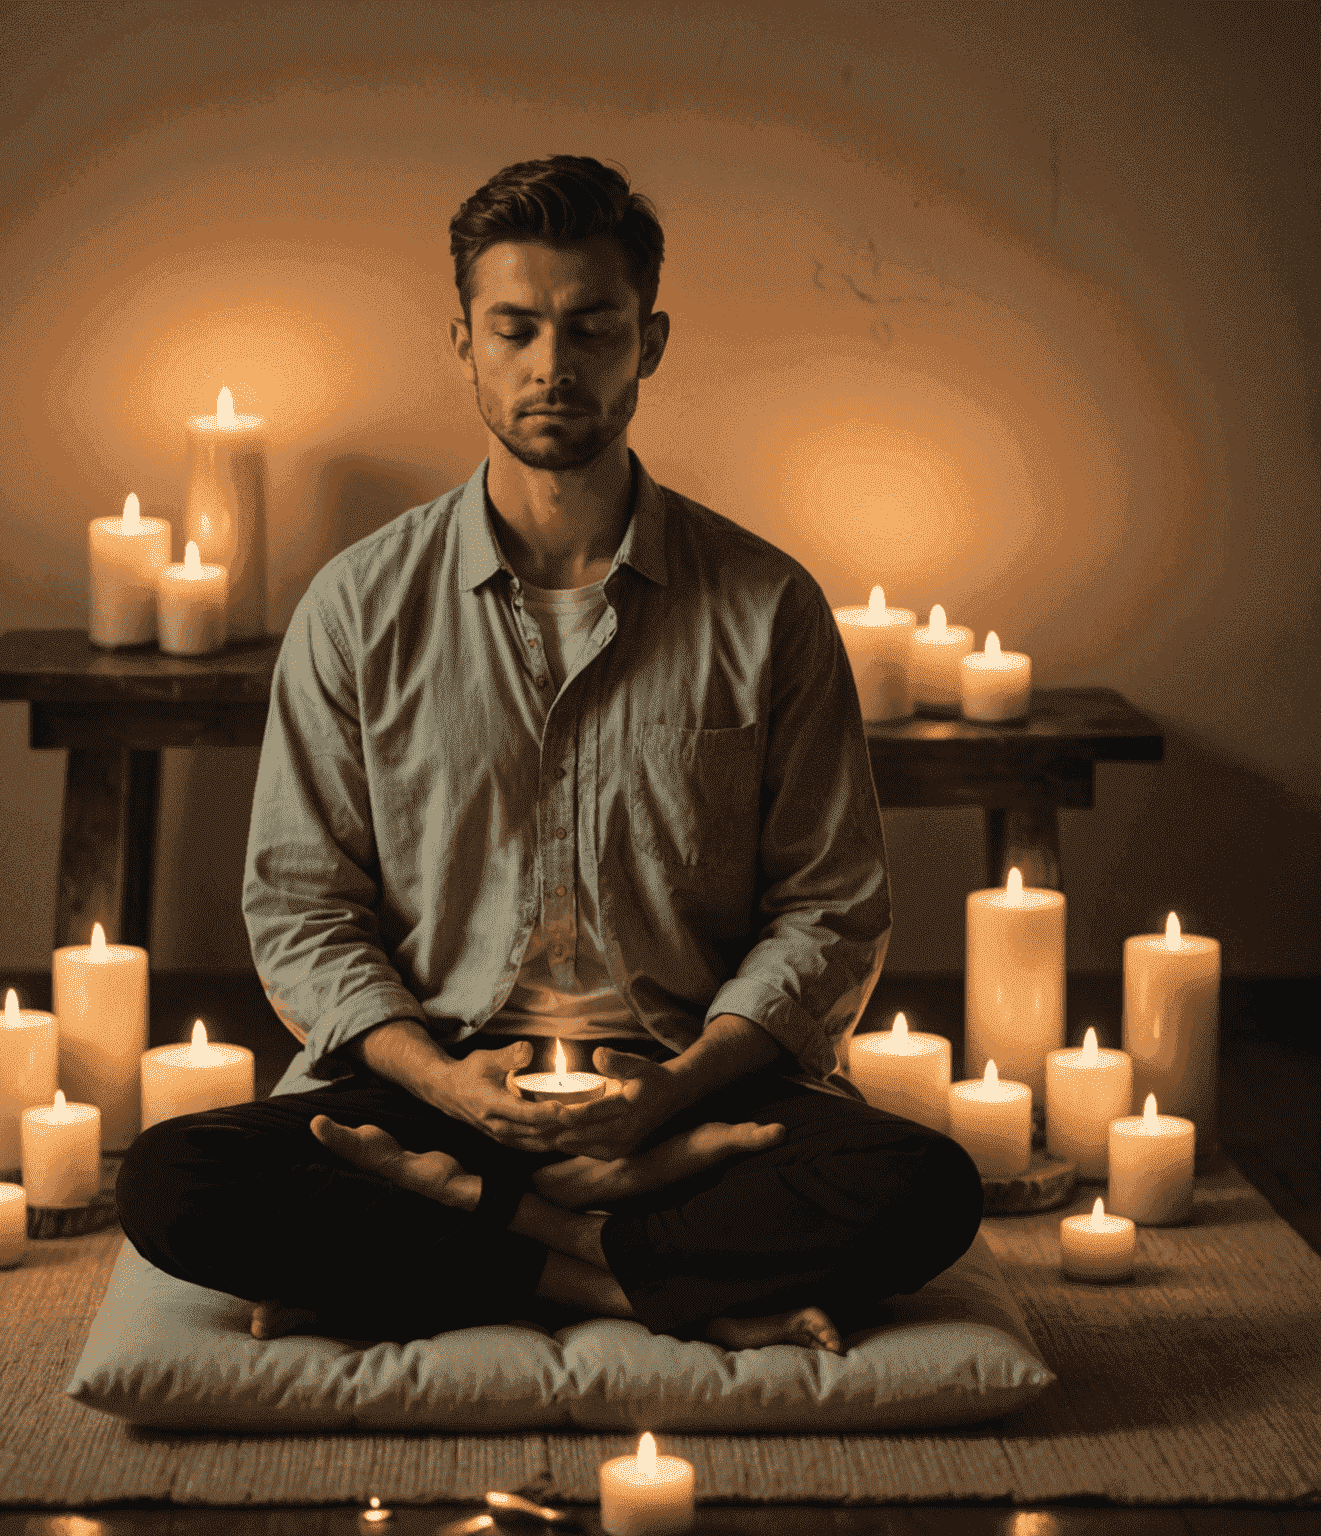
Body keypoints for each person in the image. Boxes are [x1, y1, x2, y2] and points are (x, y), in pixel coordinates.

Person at [115, 155, 982, 1354]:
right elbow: (304, 908)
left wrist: (668, 1101)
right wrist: (446, 1094)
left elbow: (830, 911)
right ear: (463, 340)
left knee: (923, 1187)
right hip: (436, 1090)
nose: (552, 366)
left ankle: (451, 1250)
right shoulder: (359, 607)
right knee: (175, 1182)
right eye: (515, 328)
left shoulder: (766, 605)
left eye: (593, 327)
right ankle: (607, 1269)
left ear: (652, 340)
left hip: (690, 1093)